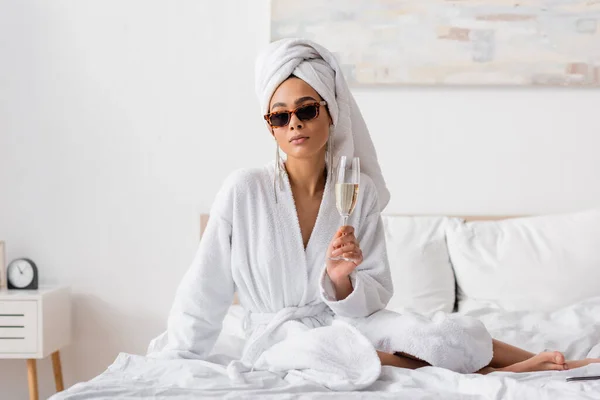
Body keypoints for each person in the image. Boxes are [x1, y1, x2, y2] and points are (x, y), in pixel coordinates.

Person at [148, 38, 599, 390]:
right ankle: (508, 373)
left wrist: (342, 280)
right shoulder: (243, 191)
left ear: (331, 112)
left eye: (306, 110)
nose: (294, 125)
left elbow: (375, 297)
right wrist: (178, 357)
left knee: (442, 332)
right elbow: (202, 292)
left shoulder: (355, 190)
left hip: (347, 320)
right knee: (336, 355)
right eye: (279, 117)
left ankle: (552, 360)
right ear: (269, 125)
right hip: (281, 338)